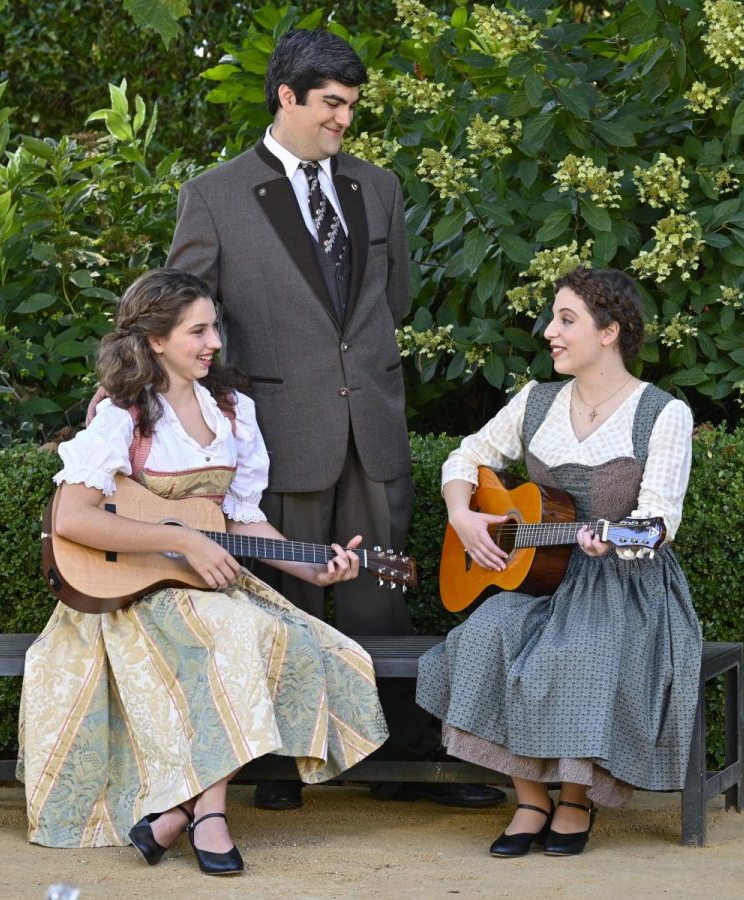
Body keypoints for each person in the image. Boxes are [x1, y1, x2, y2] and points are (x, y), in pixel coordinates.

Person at [161, 27, 505, 811]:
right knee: (289, 596)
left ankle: (396, 763)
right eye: (331, 104)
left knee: (380, 595)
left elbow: (394, 297)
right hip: (277, 429)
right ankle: (281, 762)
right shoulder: (213, 193)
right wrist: (135, 391)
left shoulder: (376, 186)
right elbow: (179, 313)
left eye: (351, 105)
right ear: (286, 96)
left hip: (373, 424)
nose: (344, 120)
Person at [19, 268, 389, 875]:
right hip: (135, 593)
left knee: (301, 643)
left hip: (207, 583)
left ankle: (178, 815)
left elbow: (240, 521)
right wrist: (183, 539)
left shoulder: (233, 410)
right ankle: (209, 815)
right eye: (198, 330)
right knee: (240, 636)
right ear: (156, 341)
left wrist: (312, 563)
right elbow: (75, 520)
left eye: (213, 326)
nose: (213, 341)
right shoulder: (123, 414)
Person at [416, 267, 702, 856]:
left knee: (580, 652)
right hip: (546, 578)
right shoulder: (536, 401)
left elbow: (658, 523)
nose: (550, 331)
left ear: (609, 332)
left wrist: (615, 540)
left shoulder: (661, 412)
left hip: (625, 583)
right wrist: (461, 516)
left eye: (566, 320)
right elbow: (465, 457)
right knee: (484, 634)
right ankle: (530, 798)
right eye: (553, 318)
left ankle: (576, 798)